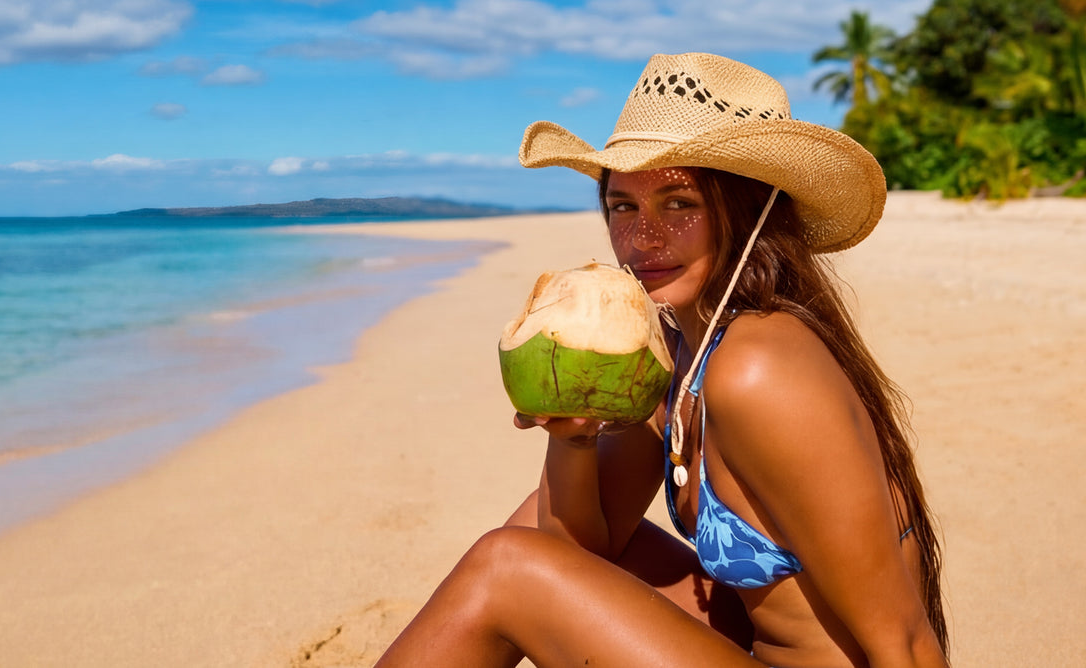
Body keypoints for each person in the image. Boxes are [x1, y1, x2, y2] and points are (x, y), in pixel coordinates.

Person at [378, 53, 947, 667]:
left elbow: (904, 641)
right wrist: (571, 440)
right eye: (624, 206)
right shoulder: (680, 357)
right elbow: (579, 549)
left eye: (678, 203)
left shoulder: (760, 365)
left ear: (749, 211)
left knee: (502, 567)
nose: (643, 238)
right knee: (520, 543)